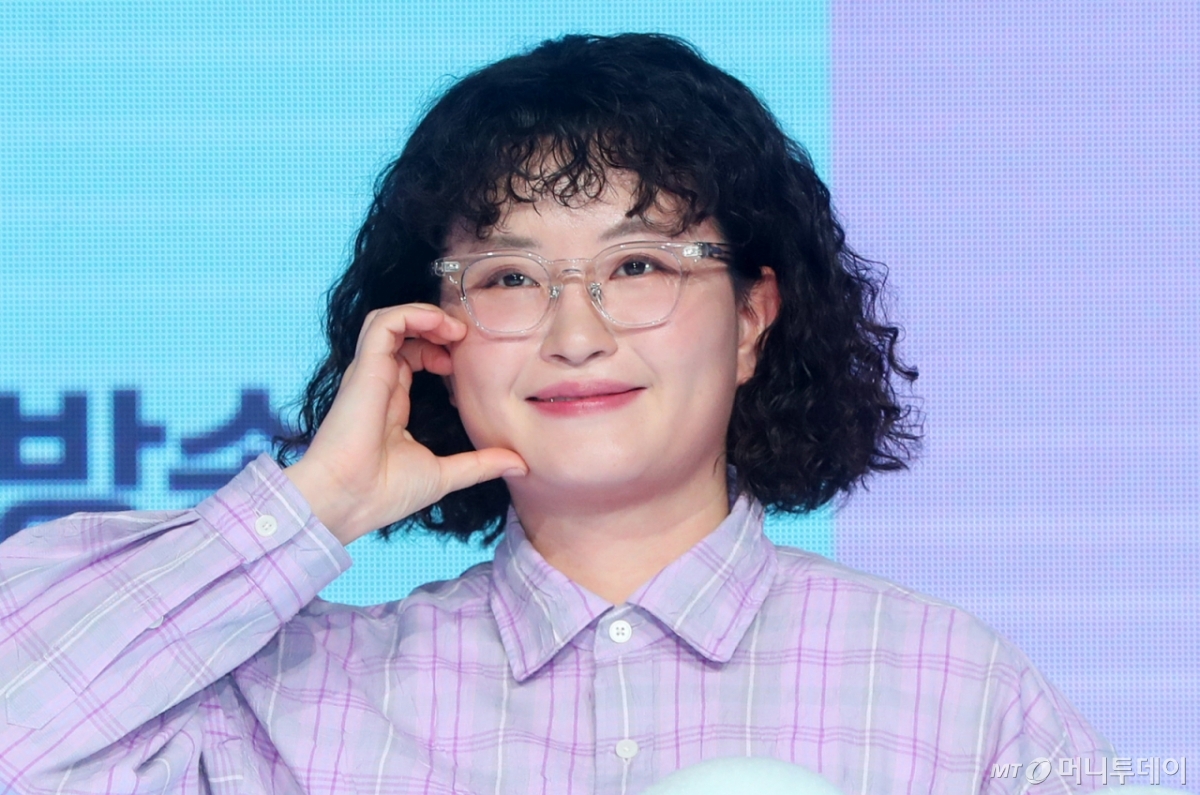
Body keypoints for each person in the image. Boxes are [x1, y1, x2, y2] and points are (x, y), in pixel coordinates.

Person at [0, 33, 1111, 794]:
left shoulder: (947, 689)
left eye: (638, 265)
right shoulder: (297, 703)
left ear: (751, 317)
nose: (575, 334)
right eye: (510, 278)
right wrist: (316, 503)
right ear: (433, 336)